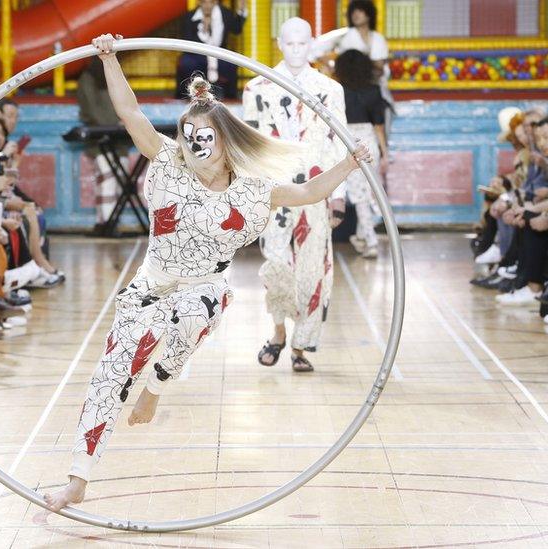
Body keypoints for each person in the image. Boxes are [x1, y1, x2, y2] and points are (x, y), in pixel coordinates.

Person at [43, 33, 370, 512]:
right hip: (150, 285)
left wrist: (350, 161)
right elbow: (130, 113)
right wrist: (110, 59)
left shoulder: (253, 189)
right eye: (187, 136)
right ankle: (77, 479)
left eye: (203, 138)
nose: (193, 144)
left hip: (204, 290)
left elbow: (308, 193)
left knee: (193, 314)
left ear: (224, 142)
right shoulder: (167, 162)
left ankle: (156, 386)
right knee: (109, 376)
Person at [243, 17, 347, 372]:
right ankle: (277, 332)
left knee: (313, 268)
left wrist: (339, 196)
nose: (297, 50)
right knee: (276, 264)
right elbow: (252, 146)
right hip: (275, 191)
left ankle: (301, 345)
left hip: (317, 191)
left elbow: (340, 146)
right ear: (279, 43)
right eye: (290, 43)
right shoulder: (257, 88)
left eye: (303, 43)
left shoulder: (331, 90)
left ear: (312, 43)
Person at [334, 48, 388, 258]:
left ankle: (372, 242)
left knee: (360, 195)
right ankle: (362, 237)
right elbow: (379, 127)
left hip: (349, 142)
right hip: (370, 141)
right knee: (367, 191)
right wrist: (384, 153)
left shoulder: (337, 90)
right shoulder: (374, 91)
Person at [312, 0, 393, 133]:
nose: (356, 14)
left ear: (369, 14)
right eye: (353, 11)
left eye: (360, 11)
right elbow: (315, 48)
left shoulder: (378, 38)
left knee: (380, 125)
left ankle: (381, 151)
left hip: (373, 90)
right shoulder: (344, 35)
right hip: (349, 92)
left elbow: (380, 68)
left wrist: (364, 62)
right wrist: (332, 66)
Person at [77, 57, 125, 231]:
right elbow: (92, 111)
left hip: (119, 142)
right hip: (100, 140)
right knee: (107, 179)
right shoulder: (87, 80)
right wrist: (116, 124)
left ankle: (111, 221)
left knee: (120, 182)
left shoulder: (115, 77)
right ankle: (106, 223)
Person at [175, 0, 246, 100]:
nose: (208, 5)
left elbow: (237, 29)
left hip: (219, 53)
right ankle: (185, 94)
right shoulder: (190, 17)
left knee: (231, 64)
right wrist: (204, 29)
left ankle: (229, 95)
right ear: (199, 3)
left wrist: (242, 10)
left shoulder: (225, 13)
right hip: (197, 54)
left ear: (216, 2)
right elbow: (187, 40)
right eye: (204, 2)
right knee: (186, 63)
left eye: (211, 2)